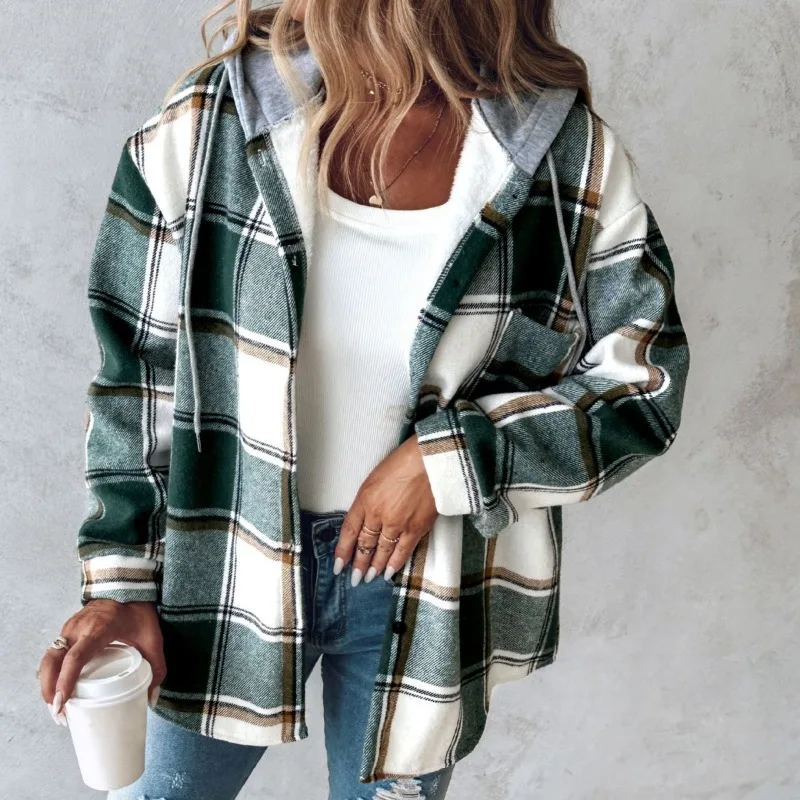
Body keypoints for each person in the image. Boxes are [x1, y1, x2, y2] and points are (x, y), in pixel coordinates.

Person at [37, 1, 691, 797]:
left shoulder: (563, 156)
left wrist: (445, 462)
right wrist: (119, 586)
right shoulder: (210, 125)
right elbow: (137, 377)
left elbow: (644, 384)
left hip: (426, 585)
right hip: (225, 563)